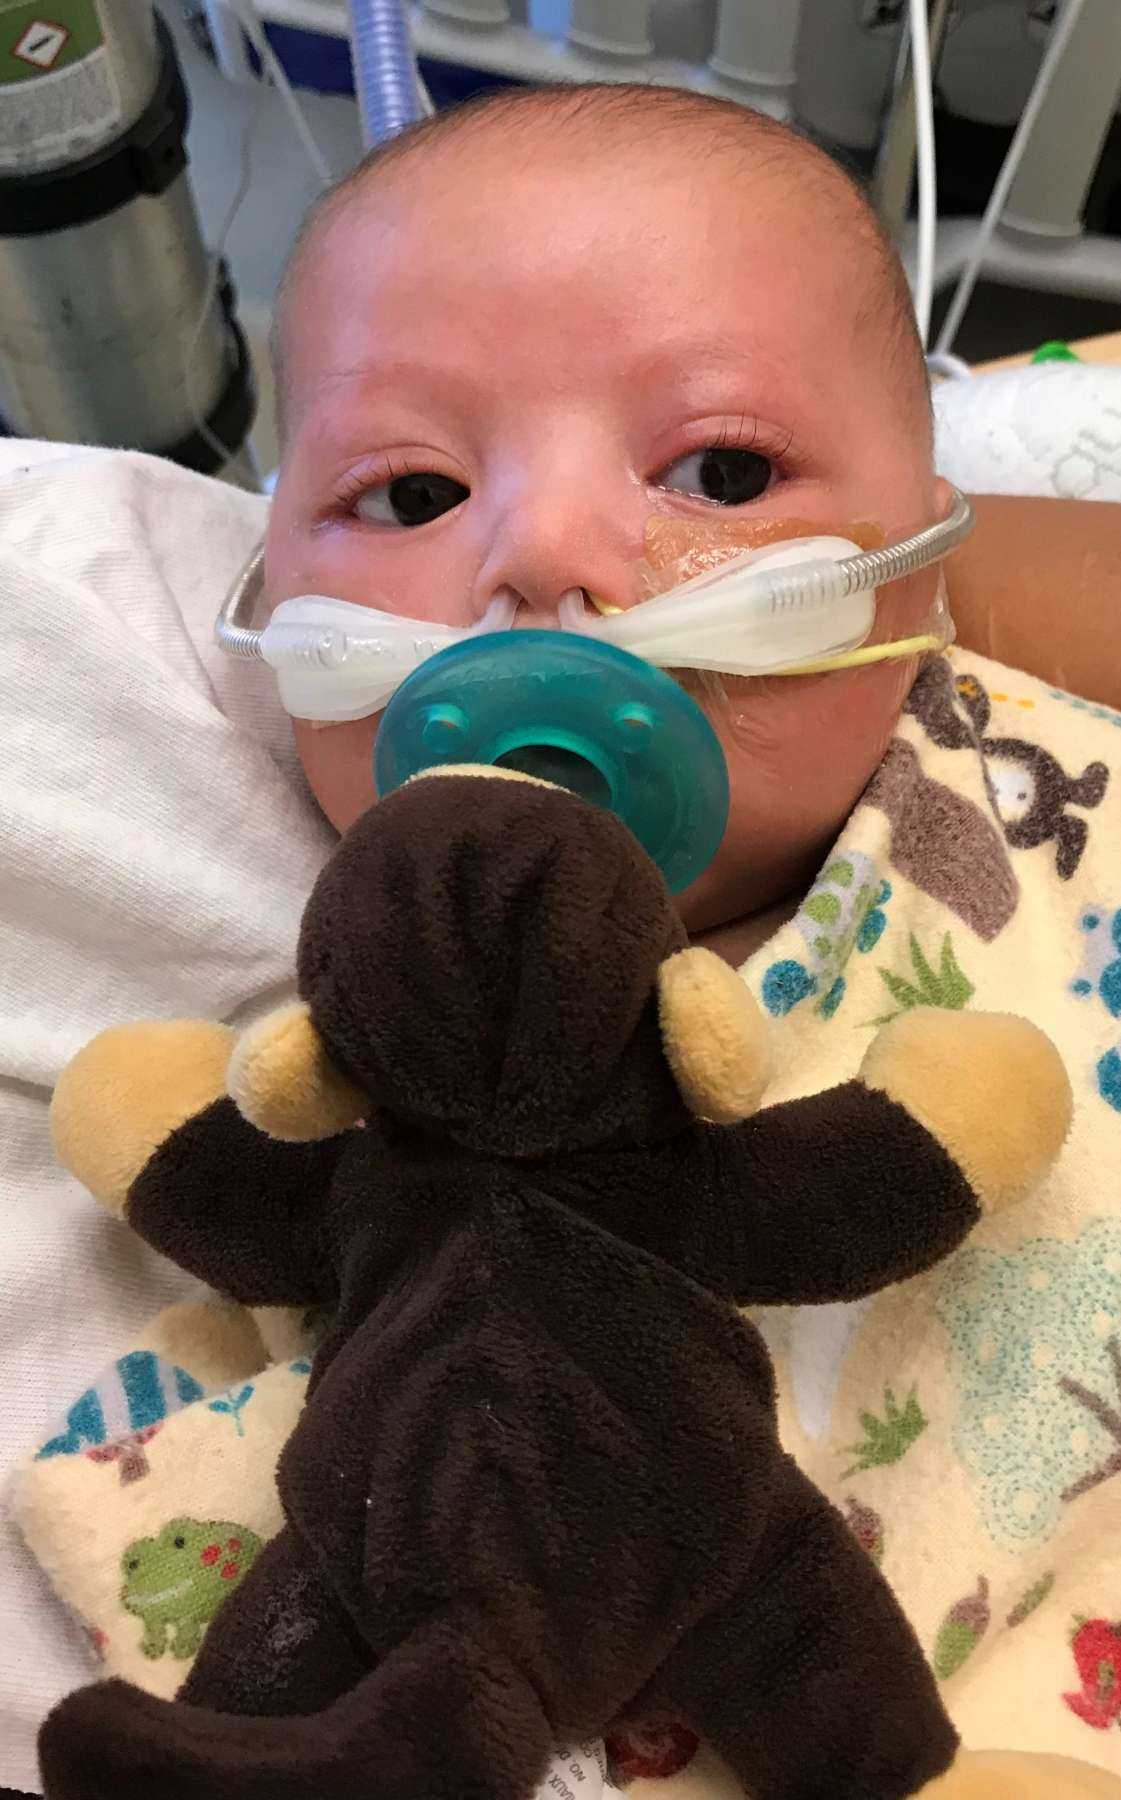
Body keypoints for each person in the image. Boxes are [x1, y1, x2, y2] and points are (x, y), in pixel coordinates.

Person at [3, 82, 1120, 1797]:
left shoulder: (1041, 776)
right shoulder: (357, 973)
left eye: (720, 472)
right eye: (409, 492)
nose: (536, 556)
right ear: (270, 610)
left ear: (918, 571)